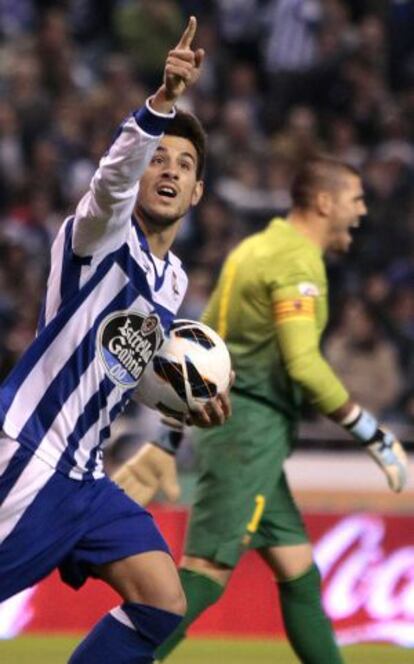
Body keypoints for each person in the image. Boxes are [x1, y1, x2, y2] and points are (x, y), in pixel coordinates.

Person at [0, 17, 230, 664]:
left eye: (184, 165)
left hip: (86, 478)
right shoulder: (99, 236)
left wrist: (186, 396)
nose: (169, 169)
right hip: (31, 458)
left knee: (161, 603)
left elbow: (120, 360)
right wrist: (161, 105)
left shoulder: (174, 279)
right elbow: (112, 183)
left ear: (198, 191)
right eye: (159, 157)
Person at [114, 157, 408, 664]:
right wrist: (372, 434)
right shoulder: (296, 262)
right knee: (204, 573)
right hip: (248, 431)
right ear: (325, 202)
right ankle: (114, 659)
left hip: (240, 432)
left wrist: (169, 437)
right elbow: (303, 364)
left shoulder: (253, 249)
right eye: (355, 199)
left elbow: (203, 352)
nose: (361, 212)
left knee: (298, 569)